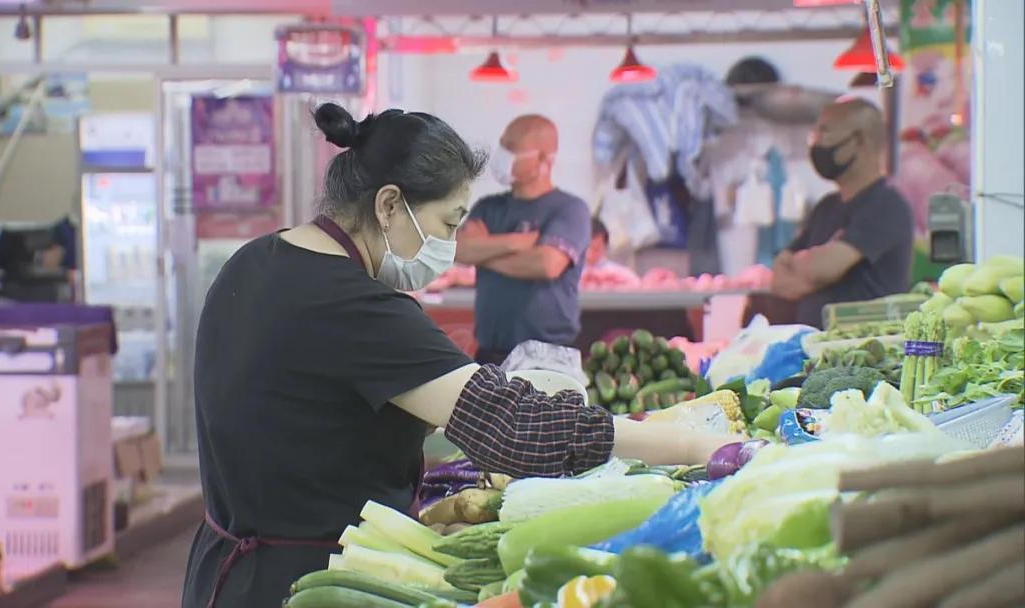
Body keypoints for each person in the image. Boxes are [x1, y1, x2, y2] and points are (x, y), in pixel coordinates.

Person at [181, 103, 739, 608]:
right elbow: (516, 428)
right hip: (306, 584)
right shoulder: (354, 305)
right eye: (449, 223)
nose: (451, 247)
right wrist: (695, 444)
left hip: (224, 571)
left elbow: (305, 415)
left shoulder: (255, 261)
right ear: (389, 204)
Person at [454, 115, 590, 365]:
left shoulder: (570, 209)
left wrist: (484, 254)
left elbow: (547, 265)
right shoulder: (488, 207)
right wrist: (516, 242)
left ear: (541, 158)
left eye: (512, 149)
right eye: (502, 145)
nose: (502, 155)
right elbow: (458, 250)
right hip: (491, 356)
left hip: (551, 357)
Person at [771, 98, 914, 328]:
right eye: (814, 134)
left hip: (862, 353)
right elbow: (779, 279)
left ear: (859, 141)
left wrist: (808, 269)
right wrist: (815, 270)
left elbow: (825, 267)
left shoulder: (886, 205)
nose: (817, 144)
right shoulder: (825, 207)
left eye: (825, 133)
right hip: (816, 350)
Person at [584, 217, 641, 283]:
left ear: (605, 246)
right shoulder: (571, 274)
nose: (589, 254)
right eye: (586, 248)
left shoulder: (622, 276)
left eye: (596, 249)